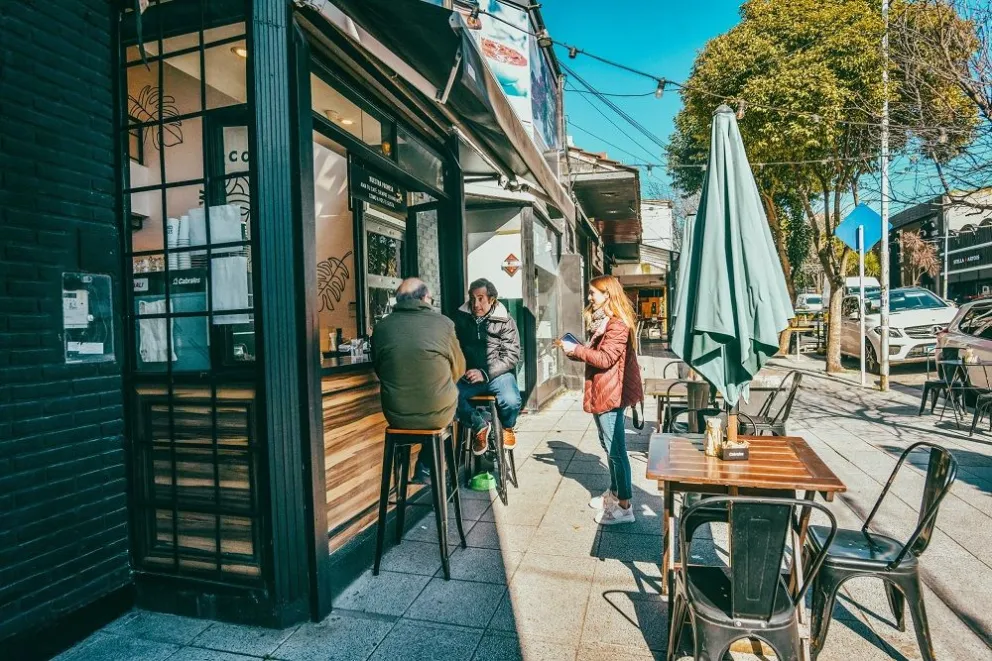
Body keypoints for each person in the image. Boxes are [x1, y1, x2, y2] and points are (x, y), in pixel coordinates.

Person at [559, 275, 643, 525]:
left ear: (608, 295)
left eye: (593, 293)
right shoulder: (604, 321)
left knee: (616, 450)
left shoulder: (618, 324)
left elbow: (606, 359)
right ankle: (615, 493)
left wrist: (577, 350)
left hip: (611, 392)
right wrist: (574, 351)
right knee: (608, 446)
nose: (589, 297)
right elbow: (597, 355)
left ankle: (625, 506)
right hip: (603, 389)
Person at [372, 278, 466, 483]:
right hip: (438, 416)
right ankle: (427, 465)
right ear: (424, 298)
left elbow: (379, 369)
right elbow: (459, 369)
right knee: (445, 403)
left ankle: (403, 473)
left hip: (396, 416)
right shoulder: (444, 324)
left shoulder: (381, 327)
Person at [454, 278, 522, 456]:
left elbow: (512, 355)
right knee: (448, 397)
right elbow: (453, 348)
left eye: (480, 299)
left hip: (499, 374)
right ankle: (479, 425)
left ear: (492, 299)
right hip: (469, 375)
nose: (475, 304)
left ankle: (507, 427)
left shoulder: (505, 320)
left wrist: (485, 372)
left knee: (511, 401)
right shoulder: (461, 318)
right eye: (472, 299)